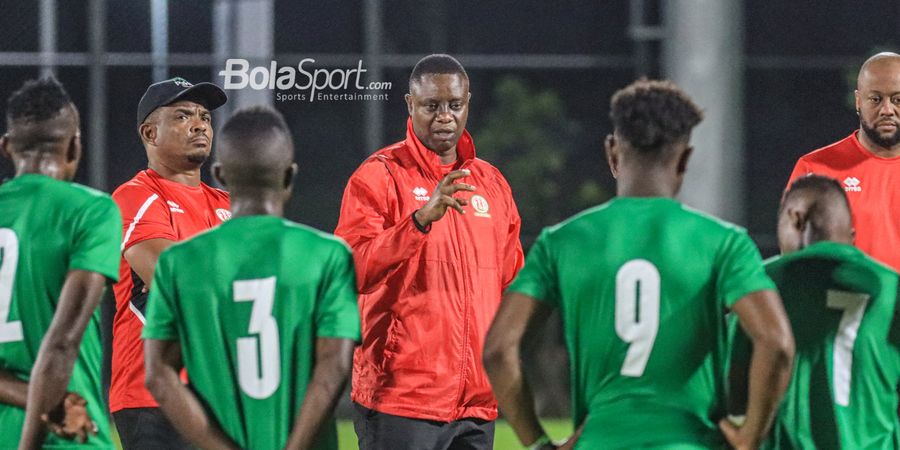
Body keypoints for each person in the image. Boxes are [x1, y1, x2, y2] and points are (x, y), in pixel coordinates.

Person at [484, 79, 795, 450]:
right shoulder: (724, 243)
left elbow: (498, 350)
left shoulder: (563, 242)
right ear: (684, 159)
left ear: (612, 152)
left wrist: (537, 444)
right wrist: (748, 439)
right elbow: (775, 342)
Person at [334, 54, 524, 450]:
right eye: (431, 106)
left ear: (467, 103)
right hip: (401, 398)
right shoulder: (378, 176)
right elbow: (351, 270)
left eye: (454, 105)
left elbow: (513, 283)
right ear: (410, 105)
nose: (444, 116)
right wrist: (418, 222)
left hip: (476, 402)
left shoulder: (492, 184)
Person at [142, 106, 359, 450]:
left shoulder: (179, 262)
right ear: (289, 176)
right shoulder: (328, 255)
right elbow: (334, 366)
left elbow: (158, 374)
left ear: (220, 175)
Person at [0, 77, 121, 448]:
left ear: (7, 147)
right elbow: (62, 343)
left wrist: (28, 397)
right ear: (75, 147)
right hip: (67, 436)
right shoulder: (92, 211)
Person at [108, 76, 229, 449]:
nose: (198, 124)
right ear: (150, 132)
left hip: (221, 390)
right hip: (151, 394)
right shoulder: (135, 196)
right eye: (181, 116)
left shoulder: (228, 204)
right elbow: (175, 280)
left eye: (204, 117)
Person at [750, 175, 900, 448]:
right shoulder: (893, 287)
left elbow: (733, 389)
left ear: (796, 219)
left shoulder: (758, 283)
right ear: (851, 237)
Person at [786, 52, 900, 271]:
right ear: (858, 101)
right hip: (846, 303)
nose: (887, 110)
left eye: (897, 100)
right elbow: (793, 259)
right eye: (876, 99)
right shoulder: (815, 170)